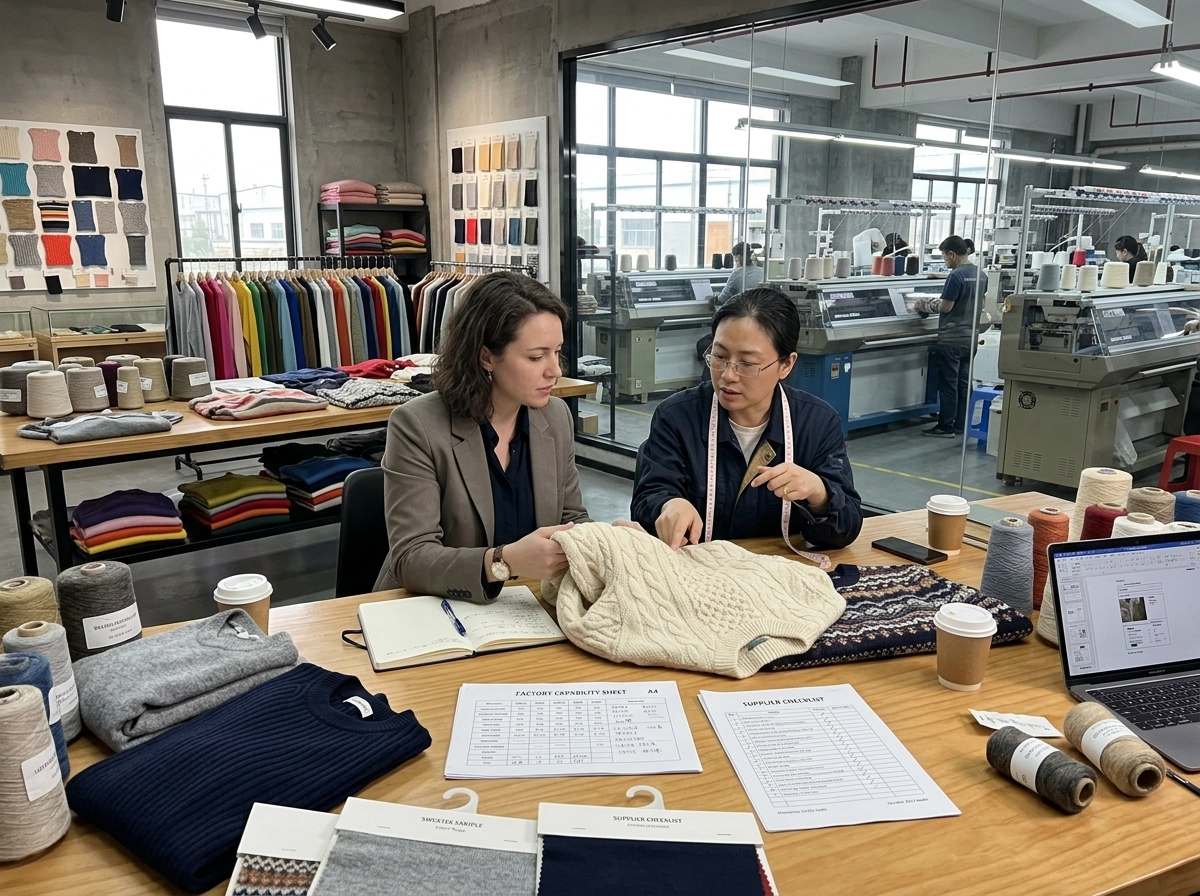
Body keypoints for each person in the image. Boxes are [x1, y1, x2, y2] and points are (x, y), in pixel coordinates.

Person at [375, 273, 630, 603]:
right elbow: (411, 559)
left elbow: (572, 520)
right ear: (486, 357)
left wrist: (609, 541)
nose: (554, 370)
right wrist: (503, 562)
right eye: (536, 357)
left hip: (529, 604)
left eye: (557, 352)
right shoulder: (417, 425)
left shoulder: (554, 417)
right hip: (436, 610)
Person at [634, 286, 863, 550]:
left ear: (786, 364)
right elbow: (647, 499)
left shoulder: (817, 423)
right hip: (700, 575)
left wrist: (819, 493)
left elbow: (848, 526)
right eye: (719, 357)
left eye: (747, 364)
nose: (728, 375)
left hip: (778, 574)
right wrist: (669, 505)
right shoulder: (677, 417)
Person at [914, 235, 988, 438]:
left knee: (948, 384)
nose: (945, 261)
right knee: (964, 383)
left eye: (944, 257)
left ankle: (945, 426)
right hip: (970, 337)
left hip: (951, 339)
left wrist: (926, 304)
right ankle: (960, 424)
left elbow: (947, 306)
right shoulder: (981, 274)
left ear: (952, 254)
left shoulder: (955, 276)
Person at [714, 242, 763, 306]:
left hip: (743, 310)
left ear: (738, 257)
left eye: (735, 259)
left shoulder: (738, 273)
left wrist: (715, 298)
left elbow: (723, 299)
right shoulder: (763, 271)